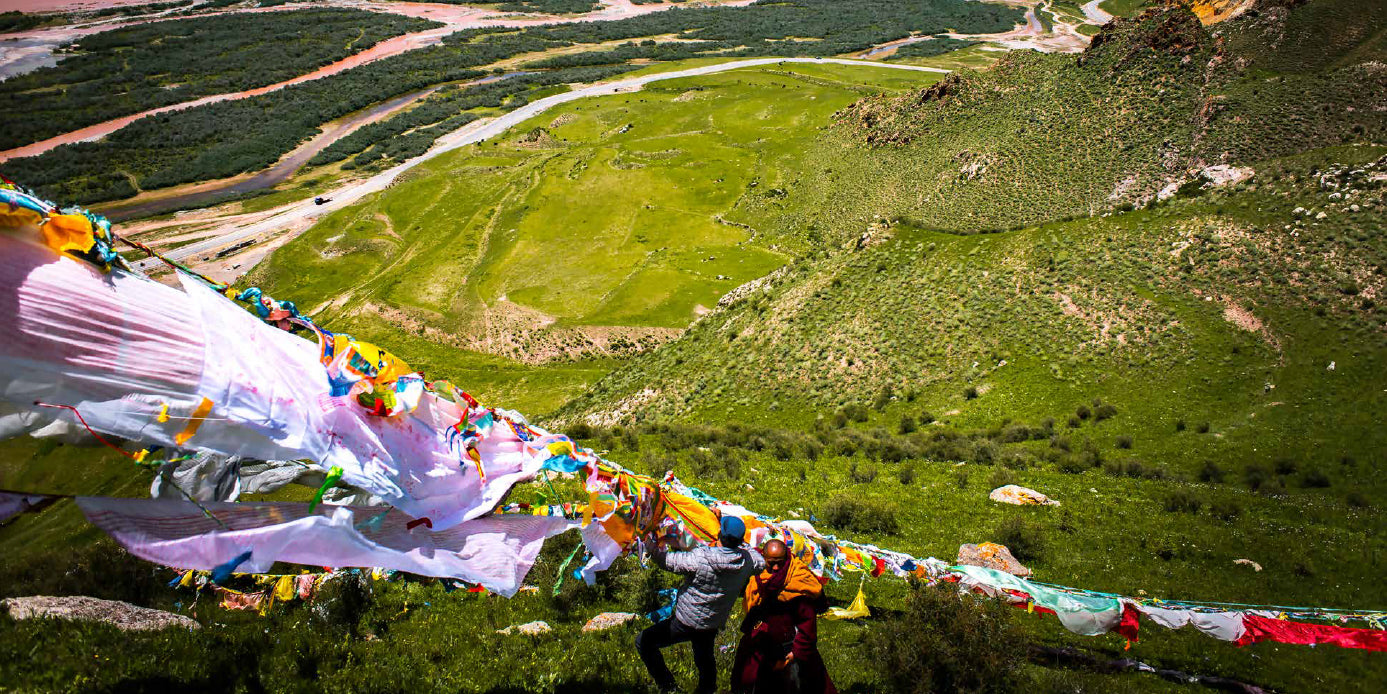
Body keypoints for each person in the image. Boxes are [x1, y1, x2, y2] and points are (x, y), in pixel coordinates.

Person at [638, 515, 766, 694]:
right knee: (705, 657)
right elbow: (759, 559)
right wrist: (741, 545)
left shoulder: (701, 558)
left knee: (644, 642)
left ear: (720, 534)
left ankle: (669, 686)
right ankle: (707, 689)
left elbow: (665, 561)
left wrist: (648, 543)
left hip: (686, 619)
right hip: (713, 621)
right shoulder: (748, 562)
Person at [731, 539, 837, 694]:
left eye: (779, 563)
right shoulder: (758, 573)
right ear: (764, 558)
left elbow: (807, 621)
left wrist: (796, 652)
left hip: (791, 646)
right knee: (749, 680)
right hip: (762, 642)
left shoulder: (799, 579)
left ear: (786, 558)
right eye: (771, 563)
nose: (775, 568)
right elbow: (753, 607)